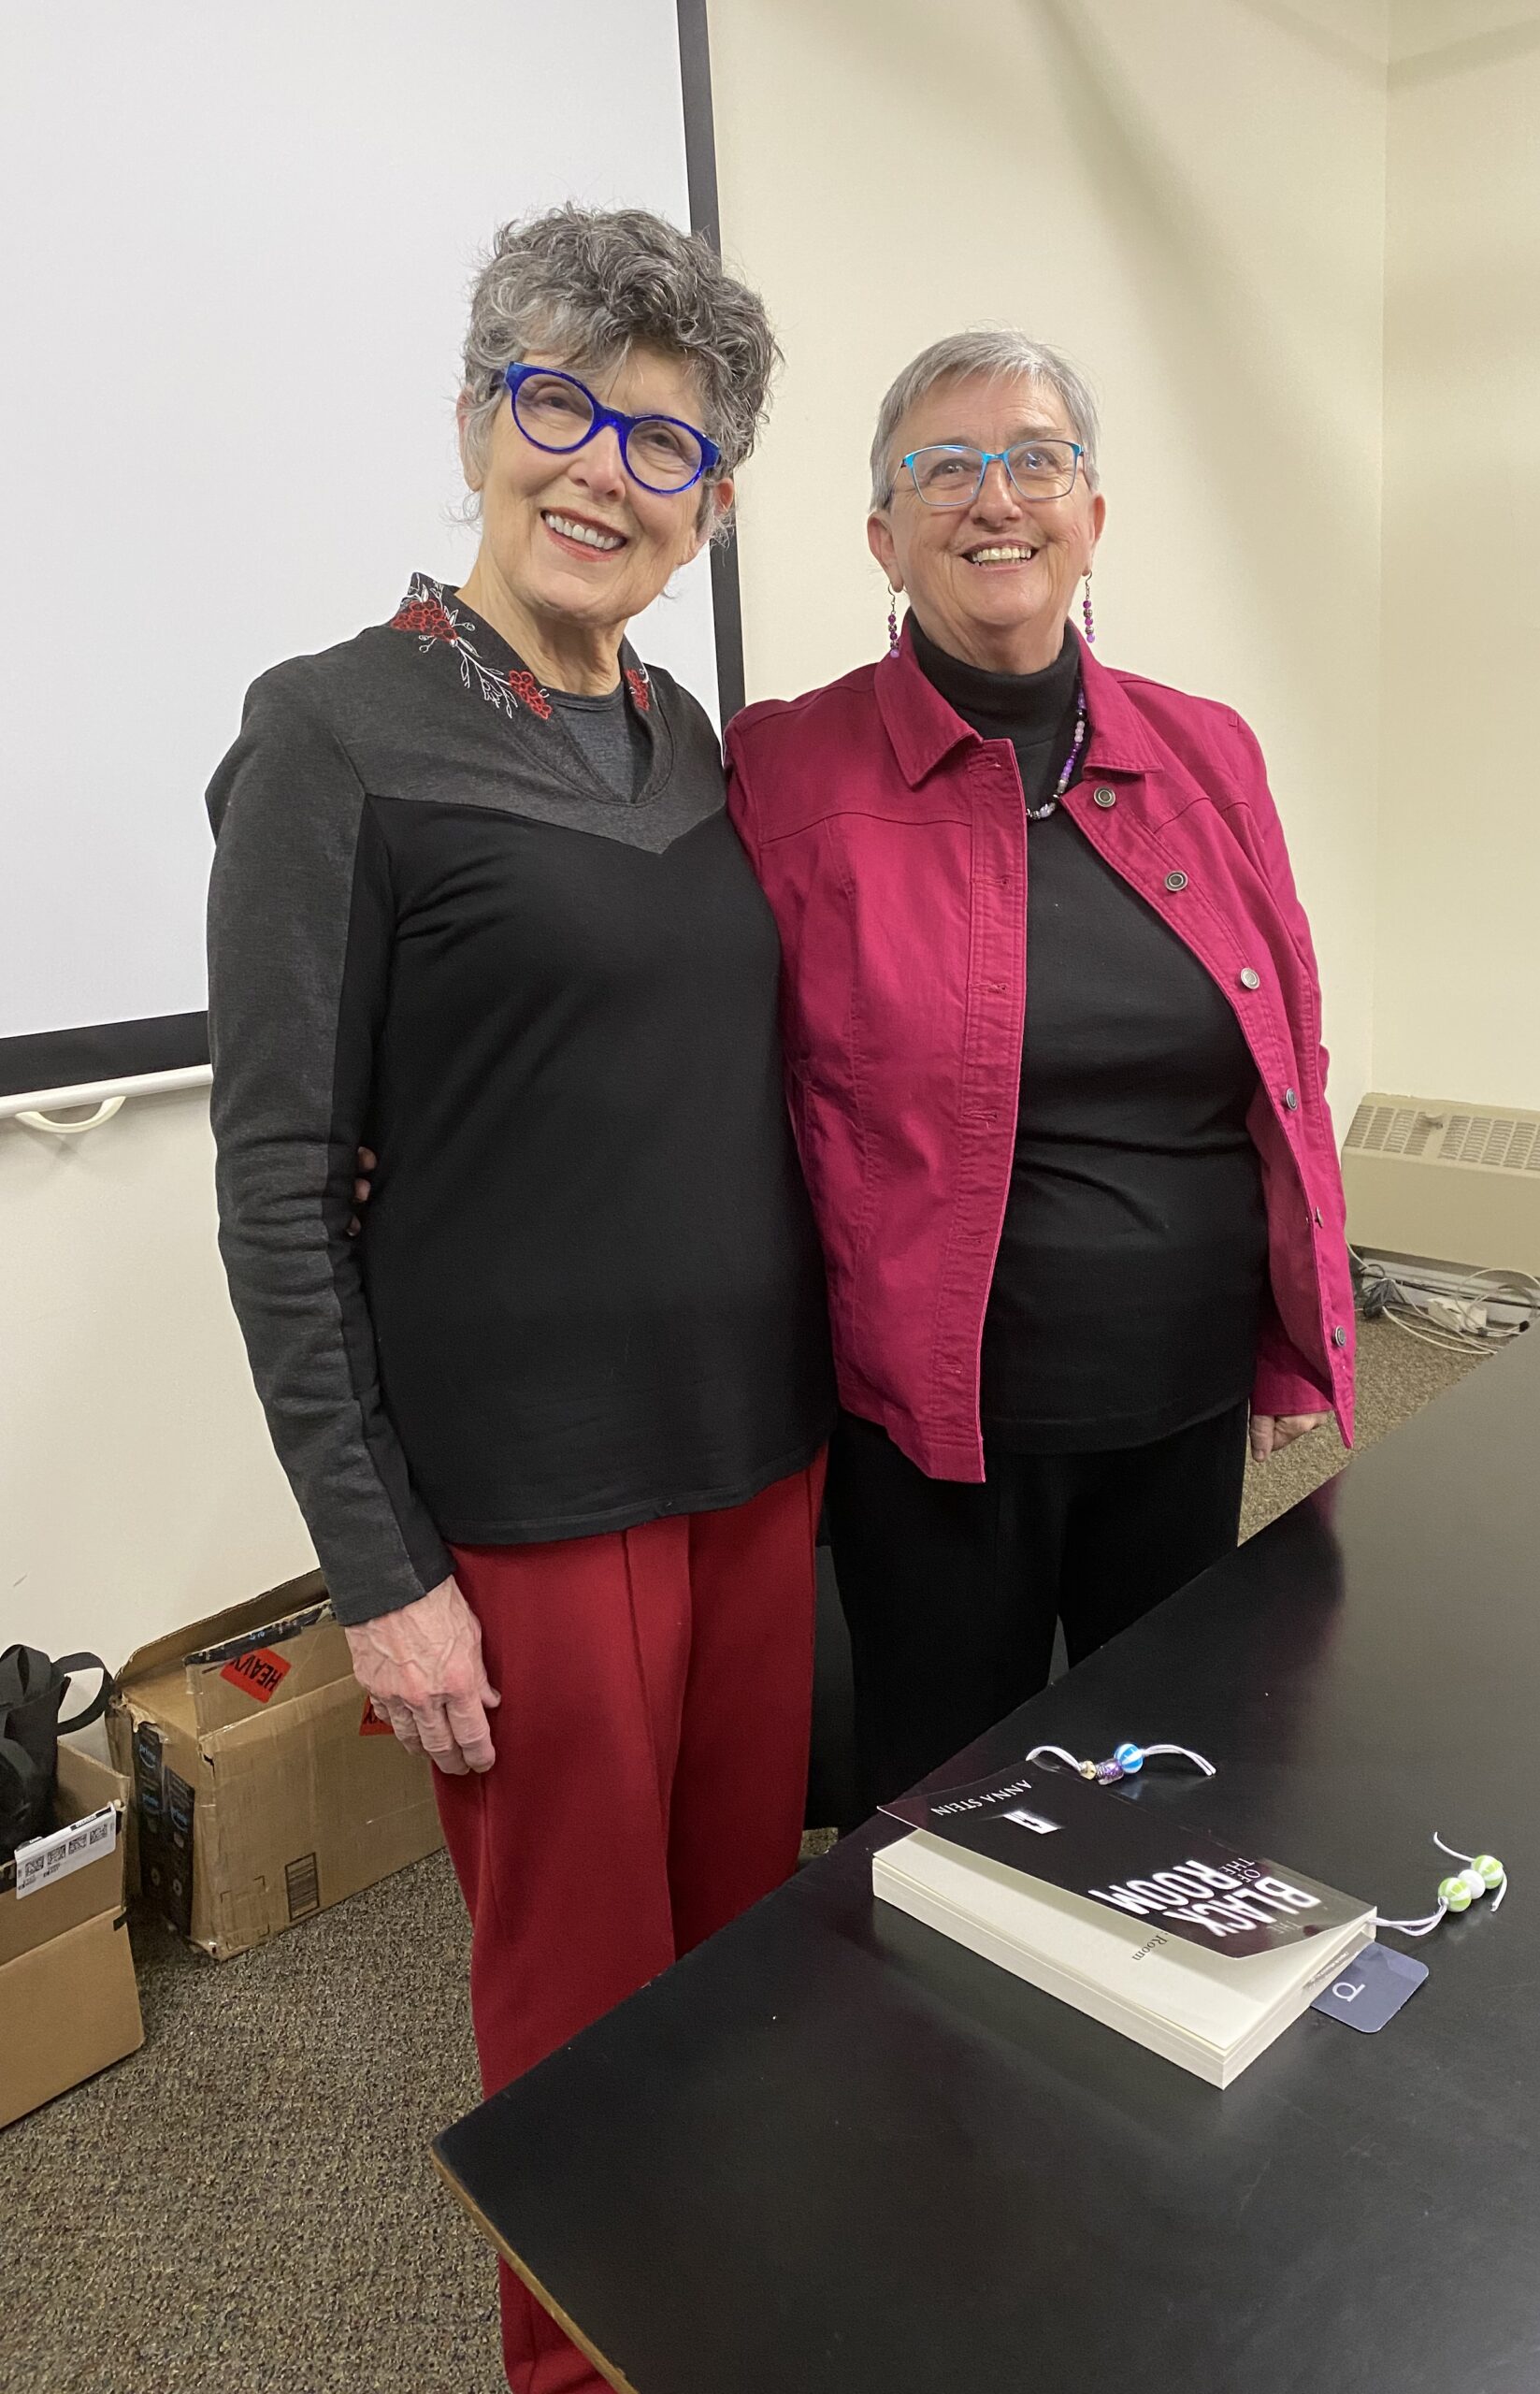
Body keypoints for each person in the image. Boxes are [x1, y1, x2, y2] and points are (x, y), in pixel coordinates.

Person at [207, 206, 833, 2394]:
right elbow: (282, 1190)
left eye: (663, 442)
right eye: (558, 404)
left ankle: (718, 2323)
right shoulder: (333, 732)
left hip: (756, 1458)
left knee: (741, 1963)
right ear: (481, 419)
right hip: (532, 1506)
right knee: (577, 2013)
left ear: (712, 506)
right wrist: (382, 1573)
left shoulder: (690, 741)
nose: (601, 468)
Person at [727, 329, 1355, 1810]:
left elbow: (1283, 1052)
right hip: (939, 1426)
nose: (991, 497)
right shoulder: (786, 772)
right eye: (941, 469)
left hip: (1181, 1394)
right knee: (950, 1805)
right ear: (884, 536)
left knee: (1179, 1776)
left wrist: (1285, 1324)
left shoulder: (1210, 753)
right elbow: (680, 1017)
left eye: (1033, 460)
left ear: (1091, 516)